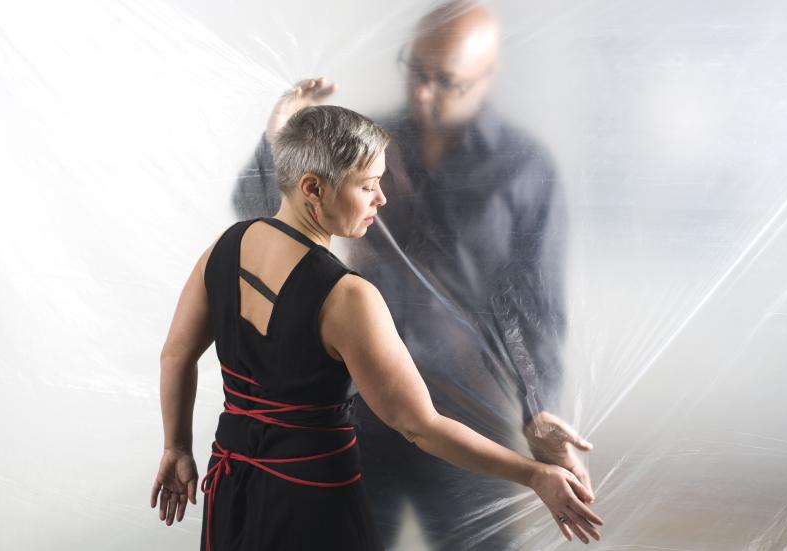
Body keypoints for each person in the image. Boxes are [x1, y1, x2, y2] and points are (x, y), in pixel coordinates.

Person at [150, 105, 602, 550]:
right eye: (368, 185)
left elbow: (175, 354)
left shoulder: (223, 249)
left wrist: (176, 448)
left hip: (231, 488)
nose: (381, 199)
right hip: (311, 502)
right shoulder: (347, 297)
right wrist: (534, 474)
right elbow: (419, 426)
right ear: (313, 188)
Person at [232, 2, 592, 547]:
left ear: (487, 77)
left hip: (469, 420)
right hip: (356, 408)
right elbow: (257, 215)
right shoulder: (369, 143)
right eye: (415, 70)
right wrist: (279, 140)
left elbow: (536, 311)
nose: (423, 92)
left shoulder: (523, 169)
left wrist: (537, 409)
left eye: (445, 81)